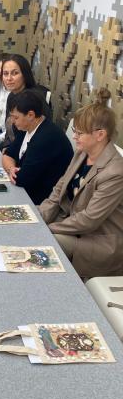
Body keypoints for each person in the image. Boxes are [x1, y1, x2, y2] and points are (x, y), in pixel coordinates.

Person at [39, 89, 123, 278]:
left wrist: (46, 228)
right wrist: (40, 217)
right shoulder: (83, 152)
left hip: (99, 240)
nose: (74, 136)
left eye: (79, 132)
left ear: (100, 135)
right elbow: (60, 187)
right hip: (71, 224)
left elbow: (89, 220)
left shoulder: (116, 172)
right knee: (28, 217)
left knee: (47, 243)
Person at [2, 89, 73, 204]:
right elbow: (8, 155)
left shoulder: (46, 138)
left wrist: (13, 172)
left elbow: (22, 179)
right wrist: (11, 169)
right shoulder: (26, 127)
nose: (13, 122)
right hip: (27, 190)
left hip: (44, 200)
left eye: (16, 117)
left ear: (30, 115)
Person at [1, 54, 50, 149]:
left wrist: (10, 154)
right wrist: (5, 147)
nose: (9, 78)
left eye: (15, 73)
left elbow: (36, 137)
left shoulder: (33, 99)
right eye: (5, 73)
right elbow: (9, 131)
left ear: (25, 74)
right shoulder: (12, 95)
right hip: (13, 148)